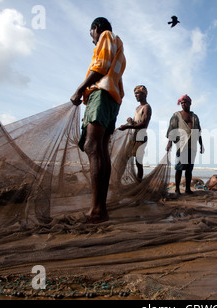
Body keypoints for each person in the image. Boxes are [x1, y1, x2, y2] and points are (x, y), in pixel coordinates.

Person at [70, 17, 126, 223]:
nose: (92, 40)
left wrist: (80, 89)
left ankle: (96, 210)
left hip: (101, 94)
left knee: (92, 147)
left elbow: (100, 66)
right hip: (112, 99)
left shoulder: (106, 36)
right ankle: (100, 208)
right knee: (101, 148)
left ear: (96, 28)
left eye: (91, 34)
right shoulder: (119, 46)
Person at [166, 94, 204, 195]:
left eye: (185, 102)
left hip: (193, 146)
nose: (183, 104)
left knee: (189, 169)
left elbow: (199, 132)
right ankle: (177, 189)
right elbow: (172, 130)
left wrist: (201, 145)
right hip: (181, 145)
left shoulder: (195, 117)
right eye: (181, 103)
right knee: (179, 168)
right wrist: (169, 143)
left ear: (190, 103)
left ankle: (187, 189)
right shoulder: (177, 115)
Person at [117, 85, 152, 181]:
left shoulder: (147, 107)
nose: (135, 95)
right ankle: (118, 181)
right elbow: (137, 123)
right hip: (134, 137)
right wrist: (131, 121)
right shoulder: (137, 108)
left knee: (138, 162)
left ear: (144, 94)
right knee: (124, 159)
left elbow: (143, 124)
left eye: (137, 93)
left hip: (141, 137)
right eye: (135, 94)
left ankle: (138, 182)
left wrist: (128, 126)